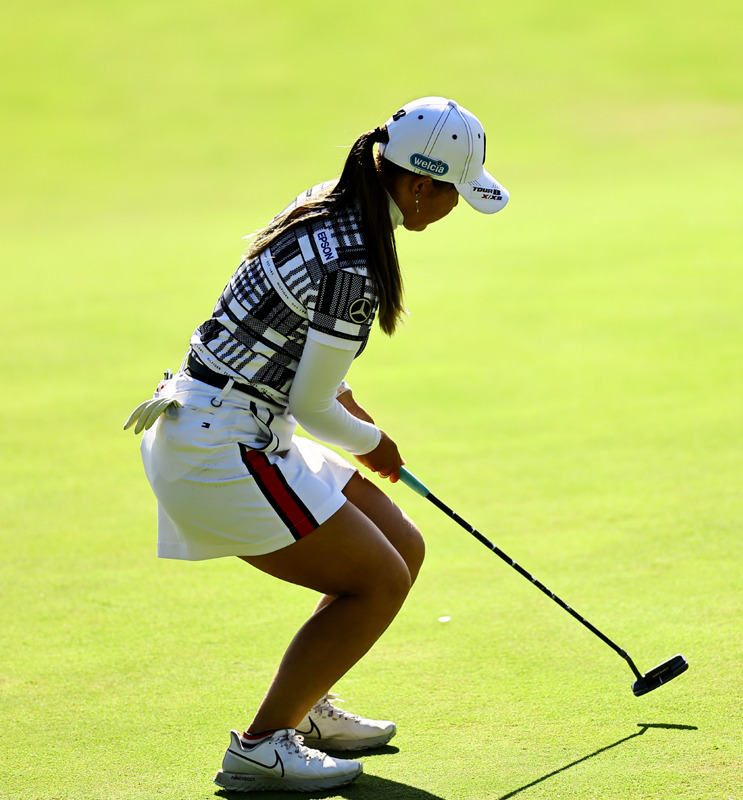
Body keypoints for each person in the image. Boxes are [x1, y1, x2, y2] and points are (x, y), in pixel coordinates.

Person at [124, 96, 508, 792]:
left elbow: (308, 372)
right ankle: (261, 745)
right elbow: (311, 403)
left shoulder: (337, 200)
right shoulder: (354, 261)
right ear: (420, 184)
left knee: (405, 547)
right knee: (378, 579)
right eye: (453, 191)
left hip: (245, 427)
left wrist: (354, 421)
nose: (455, 207)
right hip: (220, 447)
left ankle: (304, 712)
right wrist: (375, 443)